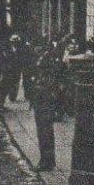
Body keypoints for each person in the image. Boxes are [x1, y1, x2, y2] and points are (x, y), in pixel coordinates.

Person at [30, 39, 67, 172]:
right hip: (42, 102)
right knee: (43, 132)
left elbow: (55, 88)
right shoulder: (47, 66)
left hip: (45, 103)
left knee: (45, 132)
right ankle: (46, 160)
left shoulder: (50, 71)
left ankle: (47, 161)